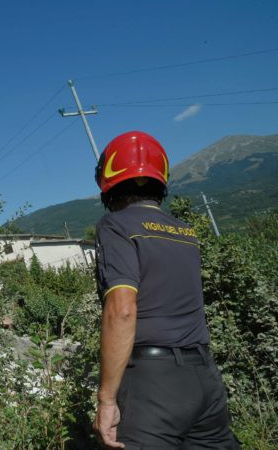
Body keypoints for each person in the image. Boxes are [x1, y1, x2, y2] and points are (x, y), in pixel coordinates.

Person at [91, 131, 239, 449]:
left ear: (108, 177)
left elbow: (123, 308)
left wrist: (106, 400)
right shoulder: (184, 232)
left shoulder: (115, 226)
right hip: (205, 379)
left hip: (153, 385)